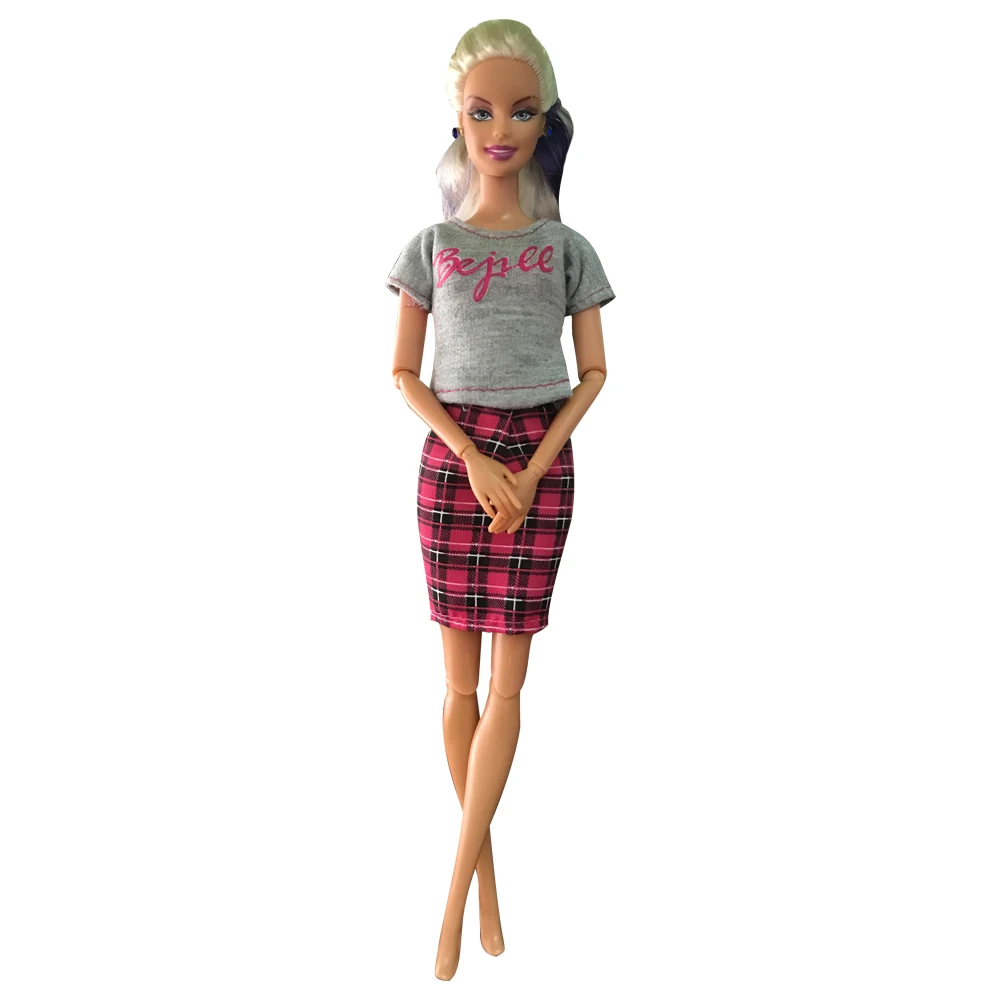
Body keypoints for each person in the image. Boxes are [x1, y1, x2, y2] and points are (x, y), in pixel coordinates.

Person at [384, 19, 616, 980]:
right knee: (459, 685)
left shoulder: (567, 248)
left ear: (544, 121)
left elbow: (593, 374)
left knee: (509, 683)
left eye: (521, 112)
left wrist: (529, 464)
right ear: (458, 118)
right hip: (455, 465)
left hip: (540, 462)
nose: (500, 130)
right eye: (482, 112)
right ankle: (479, 889)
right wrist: (474, 459)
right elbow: (404, 373)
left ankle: (452, 898)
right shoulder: (431, 245)